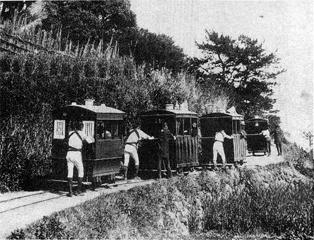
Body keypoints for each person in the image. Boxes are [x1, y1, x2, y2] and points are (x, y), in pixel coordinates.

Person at [66, 120, 94, 197]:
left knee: (70, 171)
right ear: (81, 127)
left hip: (69, 153)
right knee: (81, 171)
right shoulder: (82, 133)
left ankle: (70, 191)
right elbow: (90, 141)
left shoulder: (70, 133)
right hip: (77, 154)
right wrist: (92, 138)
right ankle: (78, 190)